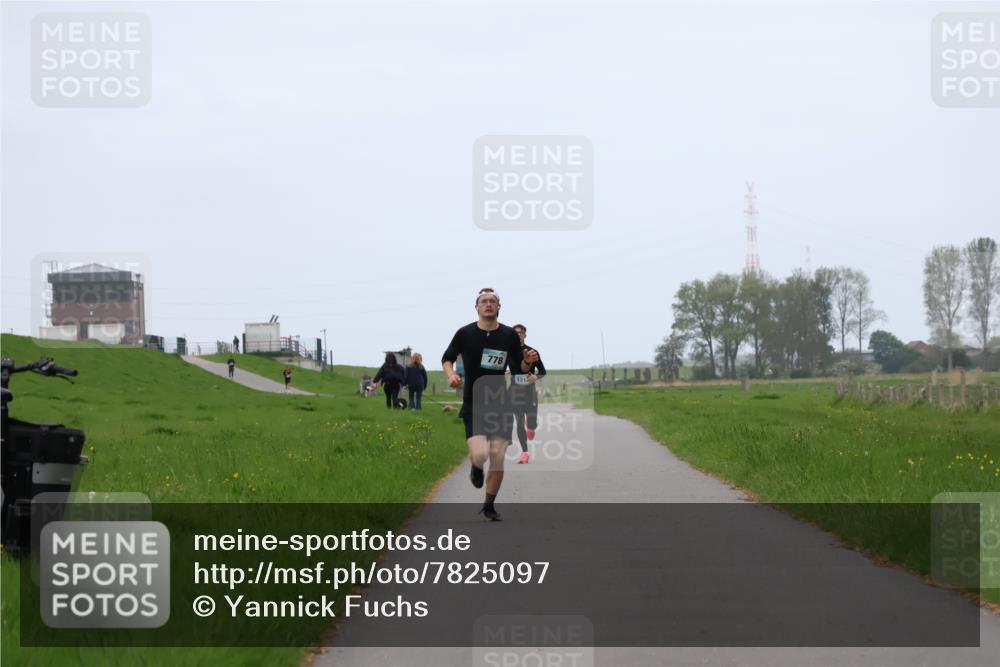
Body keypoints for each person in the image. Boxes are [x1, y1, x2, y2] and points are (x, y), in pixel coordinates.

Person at [442, 288, 538, 522]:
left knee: (497, 455)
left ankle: (489, 505)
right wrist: (451, 374)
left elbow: (521, 368)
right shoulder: (464, 333)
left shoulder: (508, 335)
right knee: (480, 454)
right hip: (474, 402)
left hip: (501, 403)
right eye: (483, 301)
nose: (488, 304)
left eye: (492, 301)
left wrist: (527, 362)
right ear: (476, 307)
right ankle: (476, 467)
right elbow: (447, 357)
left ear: (498, 307)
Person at [510, 324, 546, 464]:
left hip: (530, 392)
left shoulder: (532, 351)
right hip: (514, 392)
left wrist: (535, 377)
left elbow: (543, 371)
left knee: (532, 423)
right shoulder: (507, 351)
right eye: (515, 333)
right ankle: (525, 453)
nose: (518, 335)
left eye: (521, 333)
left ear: (525, 335)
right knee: (519, 422)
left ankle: (531, 426)